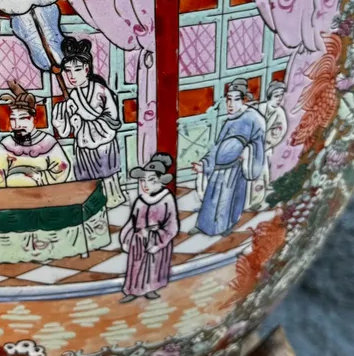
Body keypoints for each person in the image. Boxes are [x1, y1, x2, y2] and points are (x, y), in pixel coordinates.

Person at [52, 35, 125, 207]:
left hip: (103, 141)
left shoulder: (100, 90)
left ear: (86, 69)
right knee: (88, 178)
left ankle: (113, 198)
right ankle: (93, 204)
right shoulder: (72, 96)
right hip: (83, 144)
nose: (72, 75)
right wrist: (69, 117)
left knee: (107, 175)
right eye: (68, 71)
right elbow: (65, 130)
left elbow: (112, 117)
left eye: (77, 69)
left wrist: (87, 120)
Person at [193, 79, 266, 237]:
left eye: (236, 99)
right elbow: (218, 145)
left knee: (228, 201)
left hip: (235, 169)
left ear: (244, 100)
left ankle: (226, 226)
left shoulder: (253, 118)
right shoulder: (229, 121)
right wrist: (205, 163)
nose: (231, 105)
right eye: (228, 100)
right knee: (211, 198)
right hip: (219, 167)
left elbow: (258, 142)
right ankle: (204, 226)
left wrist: (247, 152)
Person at [0, 83, 70, 188]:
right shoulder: (6, 144)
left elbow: (62, 169)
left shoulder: (48, 142)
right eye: (13, 119)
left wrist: (37, 177)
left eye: (22, 118)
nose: (17, 125)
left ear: (34, 119)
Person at [119, 153, 178, 302]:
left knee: (154, 265)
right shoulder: (141, 200)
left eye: (151, 180)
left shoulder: (166, 199)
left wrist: (158, 240)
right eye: (143, 180)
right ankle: (133, 290)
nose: (145, 185)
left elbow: (172, 224)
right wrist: (125, 238)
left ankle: (151, 289)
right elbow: (132, 221)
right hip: (138, 240)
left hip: (156, 240)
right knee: (136, 266)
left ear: (161, 180)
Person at [248, 80, 289, 209]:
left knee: (261, 175)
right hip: (250, 149)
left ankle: (256, 201)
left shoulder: (280, 113)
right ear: (270, 95)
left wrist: (264, 144)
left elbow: (278, 133)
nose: (279, 99)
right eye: (276, 95)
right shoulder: (259, 108)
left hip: (264, 149)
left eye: (281, 96)